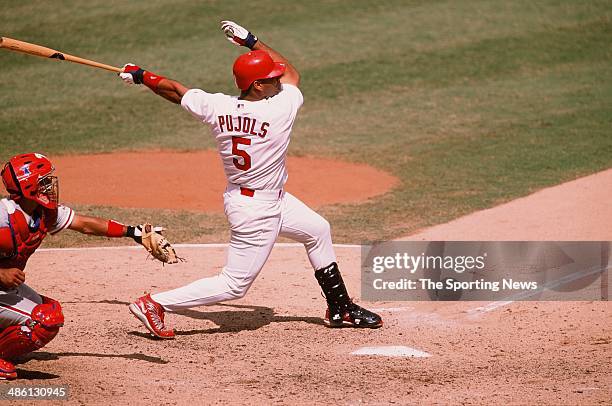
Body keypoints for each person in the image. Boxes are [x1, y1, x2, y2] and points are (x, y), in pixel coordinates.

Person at [120, 20, 382, 340]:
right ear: (258, 85)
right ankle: (154, 303)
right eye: (270, 79)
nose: (278, 81)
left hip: (260, 198)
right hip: (257, 211)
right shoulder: (280, 109)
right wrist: (251, 41)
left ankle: (340, 307)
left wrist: (141, 75)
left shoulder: (219, 106)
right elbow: (292, 74)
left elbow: (175, 90)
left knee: (317, 230)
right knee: (234, 285)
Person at [0, 152, 164, 380]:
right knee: (45, 321)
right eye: (43, 181)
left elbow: (85, 224)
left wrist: (133, 232)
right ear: (28, 187)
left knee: (50, 308)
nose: (49, 185)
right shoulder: (3, 217)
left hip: (5, 290)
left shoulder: (43, 213)